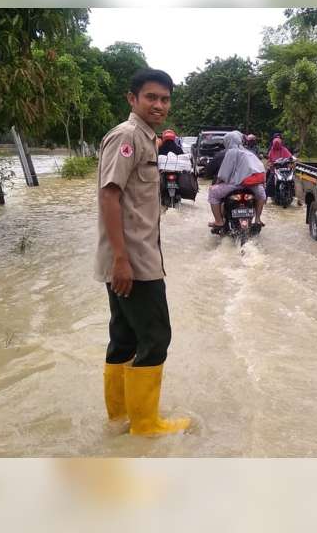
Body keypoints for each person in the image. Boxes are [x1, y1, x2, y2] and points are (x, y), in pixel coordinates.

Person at [95, 68, 190, 437]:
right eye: (151, 97)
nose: (159, 105)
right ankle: (147, 425)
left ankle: (120, 419)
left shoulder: (147, 138)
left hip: (130, 259)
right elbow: (109, 196)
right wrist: (122, 260)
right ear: (132, 99)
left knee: (125, 337)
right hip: (134, 262)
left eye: (165, 99)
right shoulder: (128, 136)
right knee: (155, 337)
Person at [207, 130, 266, 228]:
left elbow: (224, 174)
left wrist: (217, 183)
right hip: (252, 185)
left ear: (228, 141)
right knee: (262, 195)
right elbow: (260, 169)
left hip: (236, 185)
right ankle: (258, 219)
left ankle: (218, 221)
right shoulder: (248, 152)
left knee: (213, 193)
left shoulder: (231, 152)